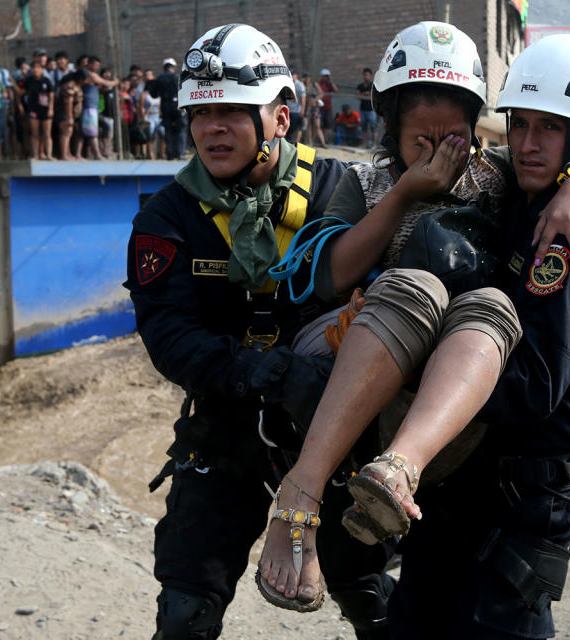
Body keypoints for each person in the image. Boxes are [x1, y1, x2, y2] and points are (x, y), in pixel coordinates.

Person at [255, 24, 570, 635]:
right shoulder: (375, 185)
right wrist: (407, 195)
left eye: (451, 138)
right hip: (420, 437)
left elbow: (536, 385)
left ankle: (388, 477)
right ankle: (303, 495)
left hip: (509, 478)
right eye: (522, 126)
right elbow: (328, 276)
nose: (530, 142)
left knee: (487, 302)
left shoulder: (522, 196)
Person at [124, 24, 415, 640]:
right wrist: (250, 370)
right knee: (185, 608)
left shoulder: (343, 189)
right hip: (227, 421)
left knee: (369, 592)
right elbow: (167, 332)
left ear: (280, 117)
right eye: (201, 112)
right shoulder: (166, 216)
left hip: (328, 426)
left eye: (232, 110)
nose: (212, 127)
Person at [152, 57, 187, 159]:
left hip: (165, 107)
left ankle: (170, 154)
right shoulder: (177, 77)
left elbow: (153, 94)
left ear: (164, 67)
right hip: (178, 106)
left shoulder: (159, 78)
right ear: (174, 67)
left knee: (168, 130)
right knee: (180, 129)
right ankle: (180, 153)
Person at [21, 60, 55, 160]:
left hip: (45, 109)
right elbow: (21, 92)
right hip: (33, 109)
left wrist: (51, 108)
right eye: (34, 68)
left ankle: (48, 154)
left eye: (38, 68)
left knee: (47, 133)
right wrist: (12, 82)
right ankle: (35, 154)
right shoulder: (28, 81)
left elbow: (51, 95)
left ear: (42, 69)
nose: (36, 70)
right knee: (34, 133)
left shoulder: (46, 81)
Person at [54, 71, 82, 160]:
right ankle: (64, 155)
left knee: (68, 134)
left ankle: (68, 154)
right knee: (66, 133)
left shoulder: (71, 85)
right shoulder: (70, 86)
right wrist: (69, 117)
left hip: (66, 113)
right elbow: (68, 103)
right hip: (64, 114)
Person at [356, 67, 376, 149]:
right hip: (363, 109)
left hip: (372, 110)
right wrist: (365, 94)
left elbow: (375, 94)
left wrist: (368, 93)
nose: (365, 77)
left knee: (373, 127)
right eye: (364, 75)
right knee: (363, 128)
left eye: (367, 75)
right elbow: (357, 96)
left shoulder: (374, 85)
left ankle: (374, 144)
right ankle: (364, 144)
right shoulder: (360, 86)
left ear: (371, 76)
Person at [285, 68, 306, 145]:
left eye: (293, 74)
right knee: (287, 127)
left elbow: (303, 98)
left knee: (295, 128)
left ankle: (295, 143)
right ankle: (288, 142)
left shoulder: (300, 85)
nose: (291, 76)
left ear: (296, 76)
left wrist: (302, 110)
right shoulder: (287, 83)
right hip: (288, 109)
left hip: (296, 111)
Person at [316, 67, 338, 141]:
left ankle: (325, 139)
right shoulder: (318, 84)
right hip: (319, 108)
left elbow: (336, 90)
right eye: (324, 76)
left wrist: (331, 82)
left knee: (327, 125)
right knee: (319, 124)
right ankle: (319, 139)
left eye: (327, 76)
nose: (325, 77)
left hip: (328, 108)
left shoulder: (330, 84)